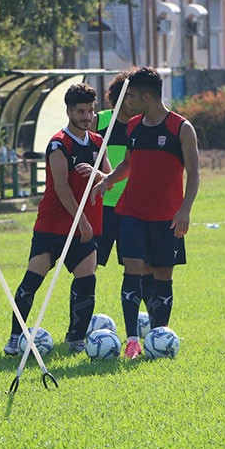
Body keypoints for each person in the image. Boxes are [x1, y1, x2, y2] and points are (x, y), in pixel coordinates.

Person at [93, 66, 200, 359]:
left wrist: (185, 210)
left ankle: (158, 335)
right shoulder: (133, 126)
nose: (127, 102)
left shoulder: (181, 128)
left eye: (131, 97)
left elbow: (194, 173)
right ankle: (132, 341)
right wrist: (108, 180)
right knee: (133, 268)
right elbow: (128, 164)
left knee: (162, 273)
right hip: (132, 213)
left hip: (167, 217)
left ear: (147, 97)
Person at [3, 83, 111, 356]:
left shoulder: (98, 143)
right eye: (81, 111)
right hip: (53, 226)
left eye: (90, 110)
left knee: (86, 280)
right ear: (69, 111)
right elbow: (61, 188)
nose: (87, 116)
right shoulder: (58, 144)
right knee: (33, 280)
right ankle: (15, 337)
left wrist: (97, 174)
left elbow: (109, 179)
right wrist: (81, 220)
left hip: (85, 227)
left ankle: (76, 339)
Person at [90, 69, 154, 310]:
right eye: (129, 96)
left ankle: (154, 320)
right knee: (88, 266)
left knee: (141, 267)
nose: (132, 102)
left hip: (134, 209)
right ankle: (81, 323)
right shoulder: (99, 121)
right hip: (102, 207)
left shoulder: (145, 125)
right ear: (118, 97)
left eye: (135, 96)